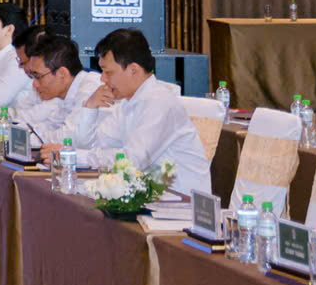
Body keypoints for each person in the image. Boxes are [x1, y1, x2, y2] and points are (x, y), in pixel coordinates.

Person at [67, 28, 210, 198]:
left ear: (133, 70)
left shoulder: (160, 102)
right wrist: (90, 107)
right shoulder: (127, 102)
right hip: (149, 197)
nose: (102, 79)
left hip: (182, 204)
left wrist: (74, 156)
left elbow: (132, 161)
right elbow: (89, 146)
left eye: (108, 72)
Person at [17, 35, 103, 155]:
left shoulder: (91, 87)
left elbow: (71, 138)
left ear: (62, 73)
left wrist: (30, 139)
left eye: (38, 76)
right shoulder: (63, 94)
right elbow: (49, 126)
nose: (34, 84)